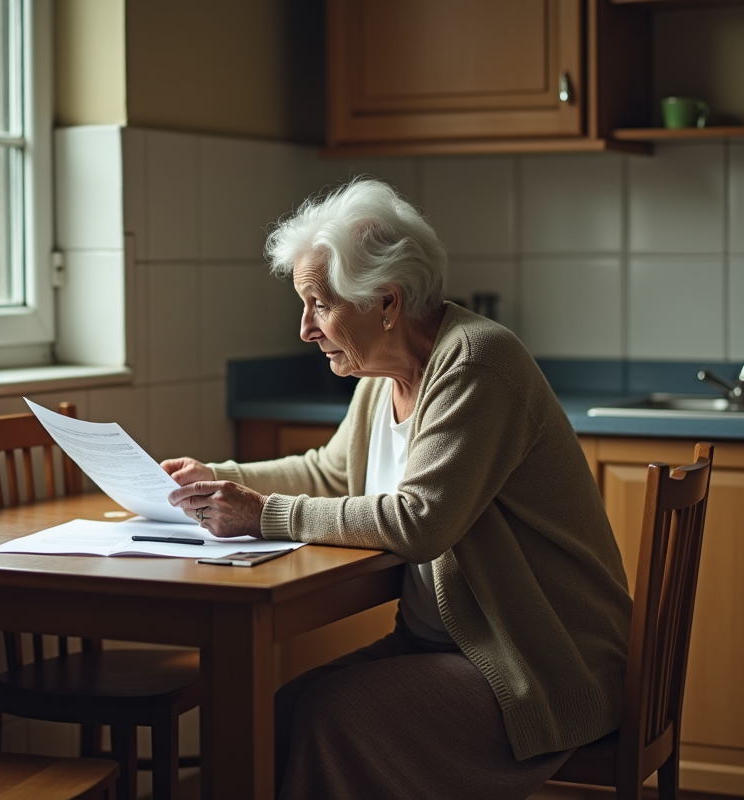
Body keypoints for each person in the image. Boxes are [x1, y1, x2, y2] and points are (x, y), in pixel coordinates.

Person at [160, 178, 632, 800]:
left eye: (320, 305)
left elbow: (419, 522)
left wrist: (263, 514)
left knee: (334, 717)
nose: (305, 328)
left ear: (387, 301)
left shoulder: (475, 365)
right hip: (451, 648)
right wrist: (218, 480)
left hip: (538, 662)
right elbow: (326, 473)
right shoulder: (381, 378)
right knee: (279, 714)